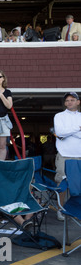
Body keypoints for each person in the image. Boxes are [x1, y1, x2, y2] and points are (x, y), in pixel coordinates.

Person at [53, 92, 81, 221]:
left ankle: (77, 209)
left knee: (78, 185)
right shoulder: (59, 116)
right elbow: (59, 132)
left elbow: (65, 133)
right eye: (67, 100)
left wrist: (68, 132)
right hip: (64, 155)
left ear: (78, 102)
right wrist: (78, 129)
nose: (69, 102)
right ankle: (61, 209)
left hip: (79, 155)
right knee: (62, 184)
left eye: (72, 100)